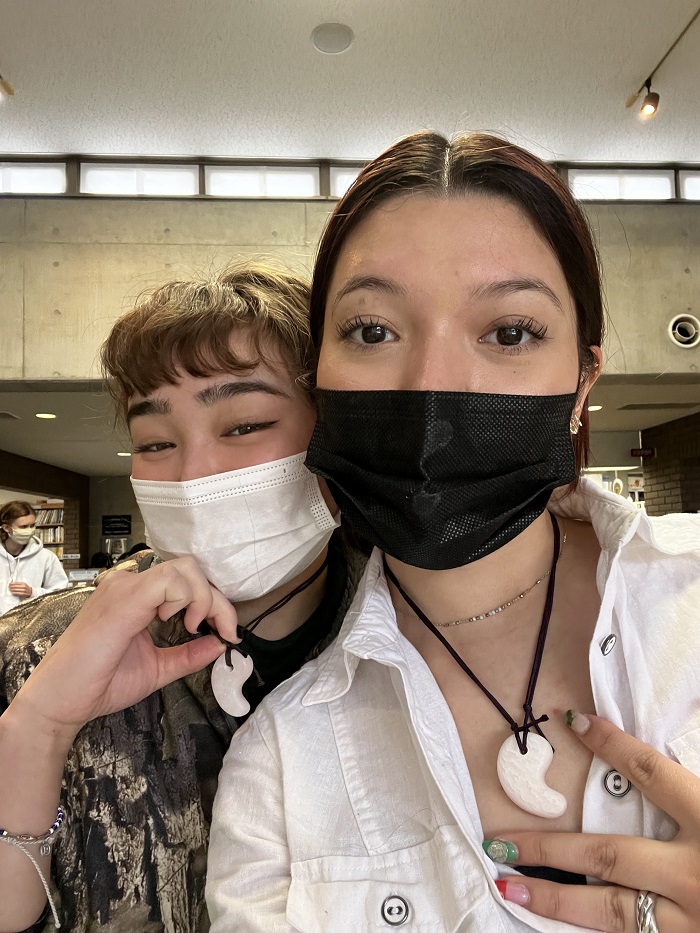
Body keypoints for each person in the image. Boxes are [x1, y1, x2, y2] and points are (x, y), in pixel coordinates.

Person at [207, 133, 700, 932]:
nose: (434, 384)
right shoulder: (281, 762)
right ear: (320, 376)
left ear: (583, 382)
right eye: (372, 331)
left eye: (509, 333)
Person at [0, 264, 360, 933]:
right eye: (155, 442)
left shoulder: (416, 646)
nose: (193, 474)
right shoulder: (32, 652)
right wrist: (38, 728)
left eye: (246, 424)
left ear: (338, 434)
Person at [0, 501, 68, 615]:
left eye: (32, 525)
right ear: (6, 528)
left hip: (32, 625)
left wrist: (33, 592)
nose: (30, 530)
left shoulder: (46, 557)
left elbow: (61, 594)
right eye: (23, 526)